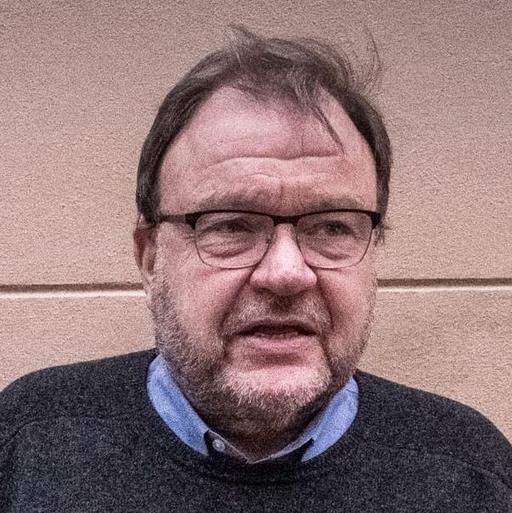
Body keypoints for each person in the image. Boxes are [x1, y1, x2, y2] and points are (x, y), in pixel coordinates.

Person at [1, 27, 511, 512]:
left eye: (332, 227)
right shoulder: (27, 445)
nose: (286, 274)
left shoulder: (473, 474)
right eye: (230, 226)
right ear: (150, 258)